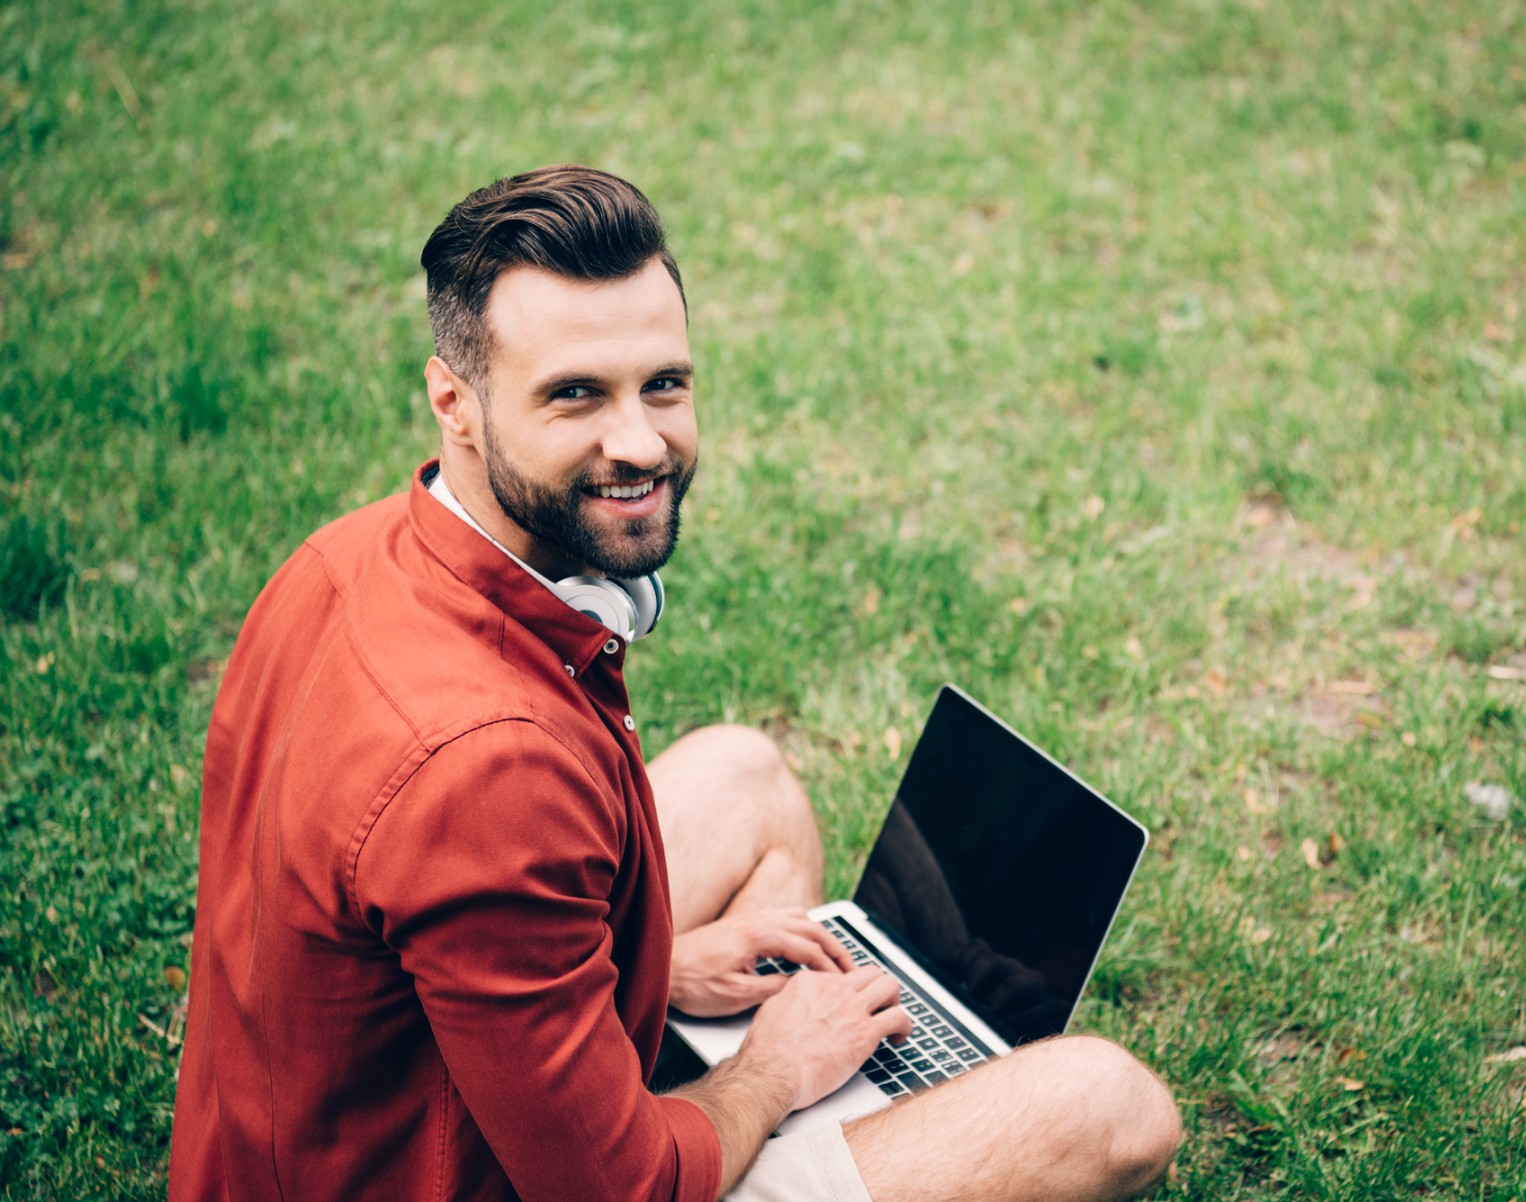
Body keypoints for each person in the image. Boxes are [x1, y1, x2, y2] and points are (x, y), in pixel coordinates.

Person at [169, 165, 1182, 1202]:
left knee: (748, 778)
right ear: (454, 403)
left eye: (663, 383)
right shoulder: (487, 774)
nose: (642, 442)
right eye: (575, 394)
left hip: (304, 1142)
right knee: (1111, 1102)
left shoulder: (344, 556)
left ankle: (783, 1101)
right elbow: (621, 1190)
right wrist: (771, 1070)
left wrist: (662, 968)